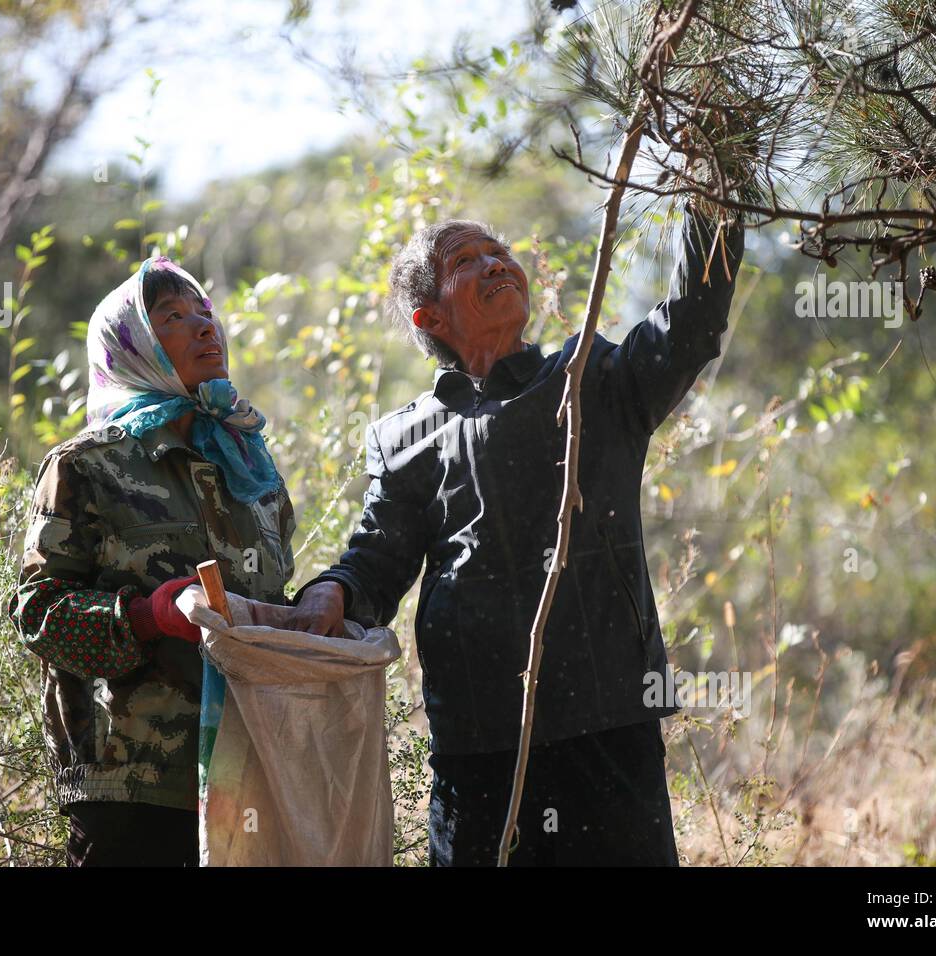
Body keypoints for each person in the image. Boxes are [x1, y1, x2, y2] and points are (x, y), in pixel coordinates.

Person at [288, 202, 745, 865]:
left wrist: (716, 195)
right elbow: (378, 557)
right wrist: (330, 592)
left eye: (497, 251)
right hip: (477, 743)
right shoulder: (403, 436)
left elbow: (692, 320)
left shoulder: (594, 378)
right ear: (430, 318)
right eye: (465, 260)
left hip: (607, 717)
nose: (495, 262)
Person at [9, 255, 295, 866]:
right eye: (172, 316)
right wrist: (143, 619)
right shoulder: (86, 465)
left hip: (252, 775)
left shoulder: (250, 464)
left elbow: (268, 598)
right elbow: (37, 613)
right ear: (132, 344)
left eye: (205, 313)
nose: (203, 327)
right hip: (134, 786)